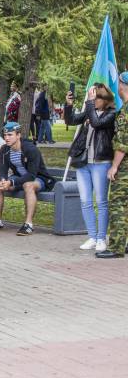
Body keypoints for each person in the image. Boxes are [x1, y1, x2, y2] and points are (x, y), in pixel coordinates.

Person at [65, 84, 116, 251]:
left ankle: (101, 238)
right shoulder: (89, 111)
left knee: (101, 201)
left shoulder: (111, 114)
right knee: (85, 201)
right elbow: (70, 120)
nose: (94, 100)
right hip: (84, 162)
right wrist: (69, 105)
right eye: (93, 97)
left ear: (106, 99)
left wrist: (90, 103)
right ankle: (92, 236)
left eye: (97, 97)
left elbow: (96, 123)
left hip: (101, 163)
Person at [0, 122, 55, 236]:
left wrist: (11, 182)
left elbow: (31, 175)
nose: (6, 138)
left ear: (18, 135)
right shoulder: (4, 149)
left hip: (39, 179)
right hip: (19, 178)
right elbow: (3, 170)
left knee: (28, 185)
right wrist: (3, 180)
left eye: (10, 135)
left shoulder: (30, 149)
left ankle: (28, 224)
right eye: (5, 135)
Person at [101, 73, 128, 258]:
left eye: (118, 82)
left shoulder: (125, 112)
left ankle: (116, 247)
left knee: (118, 204)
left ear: (123, 85)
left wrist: (114, 167)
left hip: (125, 167)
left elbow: (123, 143)